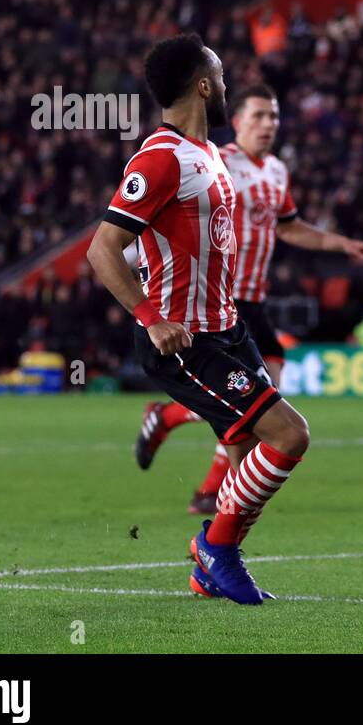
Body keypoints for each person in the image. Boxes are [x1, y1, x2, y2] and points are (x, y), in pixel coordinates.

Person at [86, 33, 307, 605]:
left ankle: (210, 563)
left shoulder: (209, 153)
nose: (228, 82)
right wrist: (150, 317)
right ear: (203, 86)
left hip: (228, 328)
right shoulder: (160, 158)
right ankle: (216, 548)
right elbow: (102, 249)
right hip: (182, 339)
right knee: (288, 435)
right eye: (221, 72)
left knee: (241, 456)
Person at [133, 84, 363, 513]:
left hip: (251, 301)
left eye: (275, 116)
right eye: (259, 116)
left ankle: (176, 430)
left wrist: (341, 244)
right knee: (254, 404)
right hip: (213, 301)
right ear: (239, 120)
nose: (269, 124)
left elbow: (290, 226)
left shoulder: (277, 171)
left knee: (261, 399)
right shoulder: (213, 161)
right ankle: (212, 489)